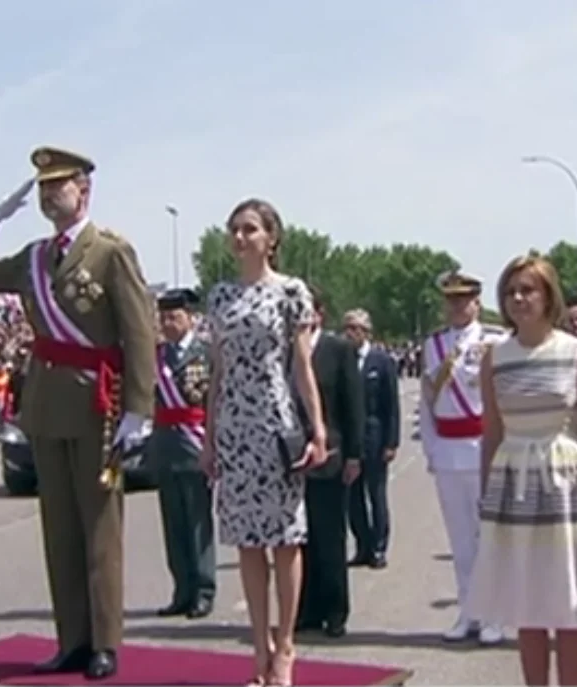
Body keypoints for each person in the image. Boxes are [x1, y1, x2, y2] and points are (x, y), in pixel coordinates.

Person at [0, 146, 156, 680]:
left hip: (97, 407)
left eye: (57, 186)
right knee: (59, 530)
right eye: (40, 187)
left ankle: (105, 642)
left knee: (100, 531)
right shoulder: (33, 258)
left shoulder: (110, 252)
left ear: (83, 190)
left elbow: (138, 333)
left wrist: (138, 410)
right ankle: (72, 640)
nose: (47, 195)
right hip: (46, 406)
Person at [465, 255, 577, 687]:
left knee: (569, 602)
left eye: (528, 289)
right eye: (511, 291)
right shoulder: (494, 357)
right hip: (514, 482)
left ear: (548, 296)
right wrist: (487, 499)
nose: (519, 298)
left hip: (567, 481)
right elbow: (491, 433)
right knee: (529, 604)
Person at [204, 198, 327, 687]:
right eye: (233, 229)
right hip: (234, 428)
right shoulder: (219, 298)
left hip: (276, 425)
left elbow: (301, 365)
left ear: (271, 238)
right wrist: (209, 437)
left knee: (283, 541)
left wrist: (317, 428)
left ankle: (286, 645)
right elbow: (217, 371)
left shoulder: (289, 293)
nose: (239, 238)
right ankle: (259, 646)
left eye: (249, 229)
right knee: (247, 542)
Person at [418, 268, 507, 645]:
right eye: (450, 300)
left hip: (485, 447)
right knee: (460, 540)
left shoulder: (495, 341)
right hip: (450, 449)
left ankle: (495, 614)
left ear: (476, 301)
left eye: (463, 299)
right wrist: (431, 447)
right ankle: (469, 611)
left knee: (489, 535)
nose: (456, 306)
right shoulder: (433, 345)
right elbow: (426, 402)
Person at [296, 288, 364, 639]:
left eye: (308, 310)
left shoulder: (338, 350)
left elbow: (353, 405)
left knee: (329, 536)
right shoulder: (288, 349)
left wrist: (354, 454)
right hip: (294, 458)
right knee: (299, 539)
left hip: (331, 455)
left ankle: (336, 610)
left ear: (320, 314)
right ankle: (308, 608)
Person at [150, 288, 216, 620]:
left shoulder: (206, 354)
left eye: (174, 317)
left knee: (198, 524)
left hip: (195, 446)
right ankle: (182, 589)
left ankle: (204, 589)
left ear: (190, 318)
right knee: (173, 525)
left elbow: (213, 404)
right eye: (163, 318)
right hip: (165, 447)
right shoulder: (156, 356)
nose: (168, 323)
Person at [342, 308, 400, 569]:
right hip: (350, 441)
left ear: (366, 332)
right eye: (347, 328)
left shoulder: (381, 361)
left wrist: (391, 442)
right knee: (352, 498)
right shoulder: (342, 359)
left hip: (375, 437)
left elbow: (391, 405)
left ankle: (378, 547)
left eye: (355, 328)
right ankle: (362, 546)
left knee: (376, 495)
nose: (350, 333)